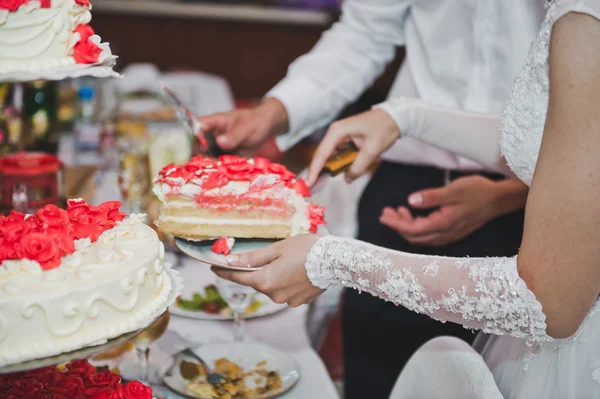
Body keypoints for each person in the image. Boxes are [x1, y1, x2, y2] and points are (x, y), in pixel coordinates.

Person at [212, 0, 600, 397]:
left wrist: (331, 262)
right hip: (411, 178)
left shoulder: (583, 19)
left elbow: (546, 305)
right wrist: (405, 117)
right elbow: (546, 141)